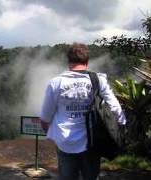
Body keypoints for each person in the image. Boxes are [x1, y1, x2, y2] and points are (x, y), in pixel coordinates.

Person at [39, 43, 126, 180]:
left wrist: (53, 136)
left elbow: (45, 118)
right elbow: (116, 109)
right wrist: (119, 130)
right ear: (87, 62)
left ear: (69, 61)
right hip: (92, 141)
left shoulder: (55, 83)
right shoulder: (98, 80)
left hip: (65, 142)